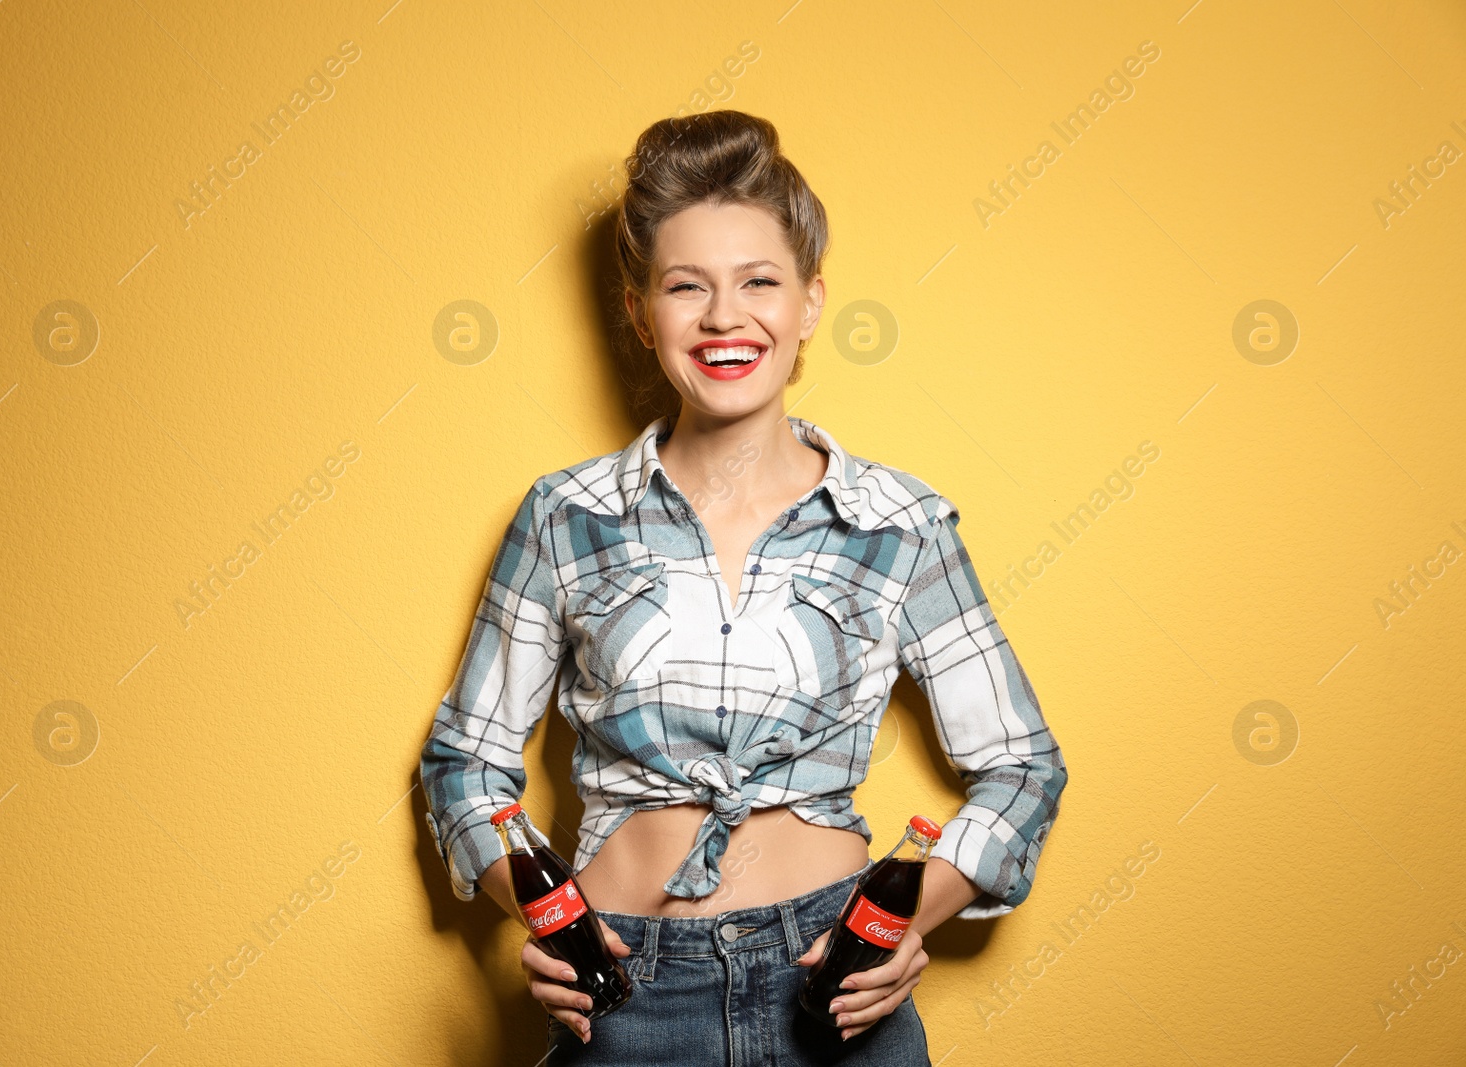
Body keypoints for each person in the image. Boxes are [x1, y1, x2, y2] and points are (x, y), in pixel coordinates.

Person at [419, 109, 1068, 1065]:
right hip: (624, 987)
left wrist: (903, 926)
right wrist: (546, 918)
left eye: (760, 282)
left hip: (837, 988)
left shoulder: (900, 521)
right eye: (688, 287)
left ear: (808, 303)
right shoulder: (564, 516)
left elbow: (1022, 764)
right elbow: (463, 762)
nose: (726, 317)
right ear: (641, 313)